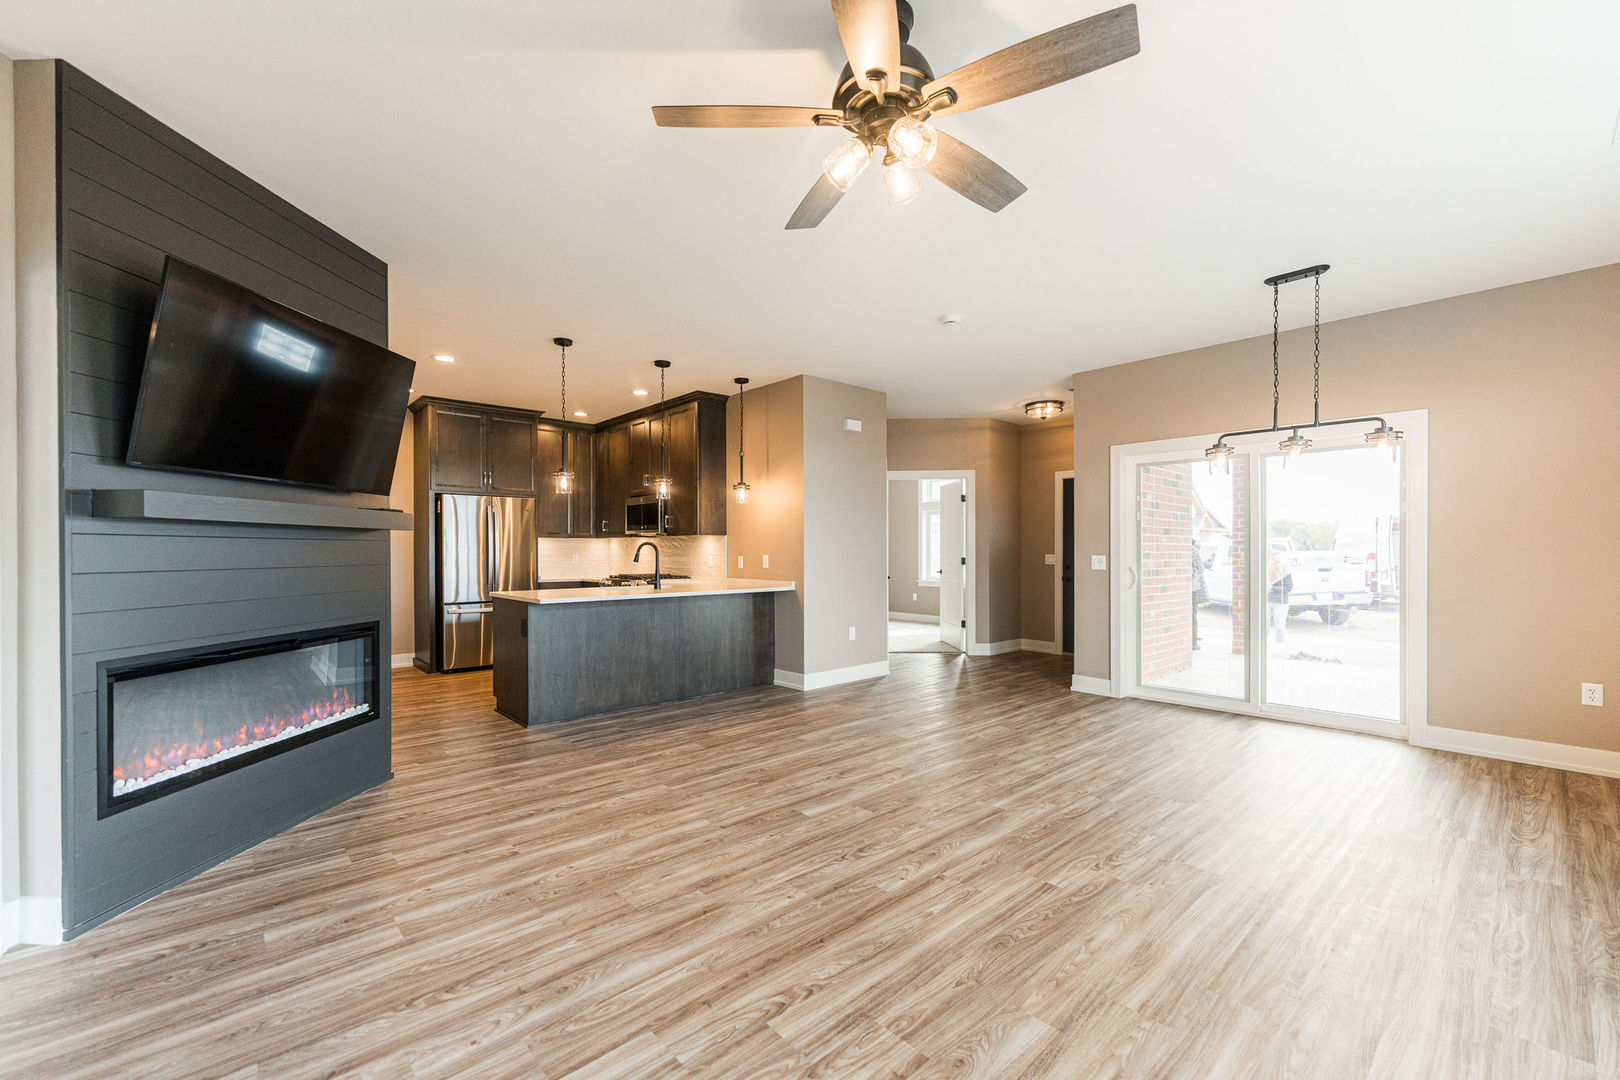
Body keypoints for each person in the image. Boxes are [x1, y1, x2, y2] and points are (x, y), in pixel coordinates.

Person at [1267, 549, 1293, 645]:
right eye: (1272, 555)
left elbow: (1289, 586)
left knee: (1280, 624)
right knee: (1264, 622)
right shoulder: (1267, 569)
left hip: (1281, 601)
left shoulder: (1285, 569)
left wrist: (1274, 589)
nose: (1275, 557)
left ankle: (1280, 644)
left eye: (1276, 554)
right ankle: (1264, 642)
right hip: (1267, 600)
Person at [1190, 537, 1207, 651]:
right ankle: (1194, 642)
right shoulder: (1193, 550)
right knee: (1193, 616)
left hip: (1191, 588)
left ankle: (1194, 640)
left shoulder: (1191, 550)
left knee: (1192, 616)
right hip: (1193, 588)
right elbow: (1200, 568)